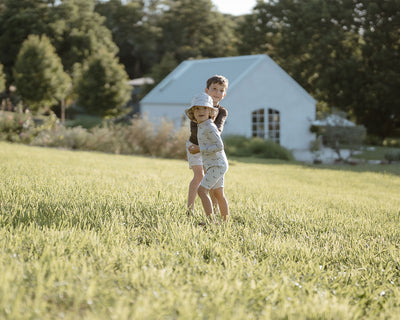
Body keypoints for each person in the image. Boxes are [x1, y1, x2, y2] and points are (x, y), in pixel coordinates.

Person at [186, 75, 229, 214]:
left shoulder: (221, 112)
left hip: (210, 149)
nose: (217, 93)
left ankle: (213, 212)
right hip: (195, 145)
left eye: (221, 90)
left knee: (211, 182)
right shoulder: (199, 108)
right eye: (214, 89)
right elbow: (195, 129)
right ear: (207, 90)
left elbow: (219, 130)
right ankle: (190, 209)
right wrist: (198, 148)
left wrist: (211, 123)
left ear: (224, 94)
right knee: (199, 176)